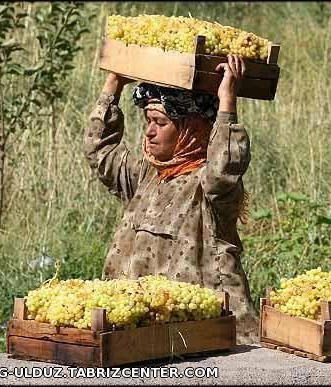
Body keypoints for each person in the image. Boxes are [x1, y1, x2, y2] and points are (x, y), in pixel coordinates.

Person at [83, 54, 258, 344]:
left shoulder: (210, 188)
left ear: (192, 129)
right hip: (140, 333)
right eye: (148, 121)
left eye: (160, 122)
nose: (149, 132)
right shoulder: (145, 177)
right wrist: (114, 83)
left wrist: (227, 102)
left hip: (208, 335)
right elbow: (99, 152)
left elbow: (225, 167)